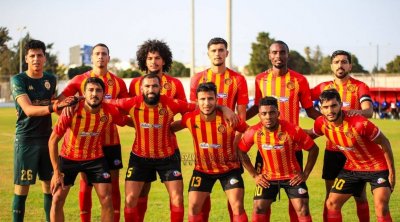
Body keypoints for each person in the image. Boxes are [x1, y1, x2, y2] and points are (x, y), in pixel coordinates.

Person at [246, 40, 321, 221]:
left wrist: (328, 122)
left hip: (293, 148)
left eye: (282, 52)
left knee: (296, 203)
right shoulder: (260, 79)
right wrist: (237, 120)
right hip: (265, 149)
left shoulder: (299, 80)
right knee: (261, 203)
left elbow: (310, 110)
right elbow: (257, 107)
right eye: (274, 52)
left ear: (288, 55)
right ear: (269, 55)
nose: (278, 56)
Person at [59, 43, 129, 222]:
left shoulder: (118, 83)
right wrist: (70, 105)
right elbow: (60, 103)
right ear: (92, 58)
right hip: (85, 145)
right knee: (86, 184)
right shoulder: (78, 80)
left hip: (111, 141)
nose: (100, 57)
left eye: (104, 54)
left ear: (108, 57)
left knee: (112, 187)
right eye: (97, 54)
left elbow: (125, 111)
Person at [10, 39, 77, 222]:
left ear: (45, 58)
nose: (36, 59)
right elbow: (29, 110)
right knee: (22, 188)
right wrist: (54, 107)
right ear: (26, 59)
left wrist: (70, 103)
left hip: (47, 140)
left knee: (50, 186)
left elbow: (55, 104)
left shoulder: (50, 79)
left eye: (39, 55)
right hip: (26, 141)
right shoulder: (18, 80)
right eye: (32, 56)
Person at [310, 89, 395, 222]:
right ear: (320, 108)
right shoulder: (321, 123)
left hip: (377, 167)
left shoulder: (360, 123)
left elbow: (385, 142)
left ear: (341, 104)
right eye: (325, 107)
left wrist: (392, 173)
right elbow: (309, 135)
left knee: (381, 207)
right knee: (332, 202)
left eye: (333, 105)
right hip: (352, 168)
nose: (330, 111)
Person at [189, 37, 249, 221]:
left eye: (221, 50)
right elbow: (194, 113)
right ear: (208, 53)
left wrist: (237, 145)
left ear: (227, 53)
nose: (217, 53)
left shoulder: (238, 79)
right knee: (199, 203)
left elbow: (241, 116)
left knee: (235, 203)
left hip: (229, 149)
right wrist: (223, 107)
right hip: (205, 151)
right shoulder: (198, 78)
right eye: (214, 50)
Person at [311, 50, 373, 222]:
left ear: (350, 65)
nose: (340, 65)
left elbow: (369, 111)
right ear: (331, 66)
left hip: (355, 152)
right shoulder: (323, 87)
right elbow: (303, 100)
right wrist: (319, 119)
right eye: (337, 62)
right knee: (330, 196)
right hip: (332, 150)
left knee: (360, 196)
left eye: (344, 62)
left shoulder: (359, 86)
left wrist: (354, 113)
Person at [172, 82, 248, 222]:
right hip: (203, 171)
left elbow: (251, 133)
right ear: (197, 101)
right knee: (194, 206)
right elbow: (170, 129)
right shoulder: (190, 118)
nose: (207, 103)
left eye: (210, 99)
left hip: (230, 169)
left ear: (216, 100)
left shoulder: (229, 118)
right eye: (202, 99)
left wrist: (241, 148)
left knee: (237, 206)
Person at [128, 39, 187, 222]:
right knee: (140, 193)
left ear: (164, 60)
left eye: (158, 58)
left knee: (176, 196)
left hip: (168, 151)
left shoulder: (175, 84)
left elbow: (187, 114)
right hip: (142, 151)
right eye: (150, 58)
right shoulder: (135, 84)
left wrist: (170, 127)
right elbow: (129, 113)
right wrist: (142, 125)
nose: (153, 61)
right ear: (144, 61)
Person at [238, 96, 319, 222]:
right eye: (264, 113)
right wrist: (254, 175)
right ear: (259, 115)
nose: (268, 117)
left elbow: (313, 149)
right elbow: (241, 151)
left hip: (292, 177)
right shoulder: (253, 131)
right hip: (268, 178)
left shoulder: (293, 130)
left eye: (272, 113)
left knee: (303, 209)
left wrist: (305, 173)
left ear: (278, 113)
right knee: (259, 208)